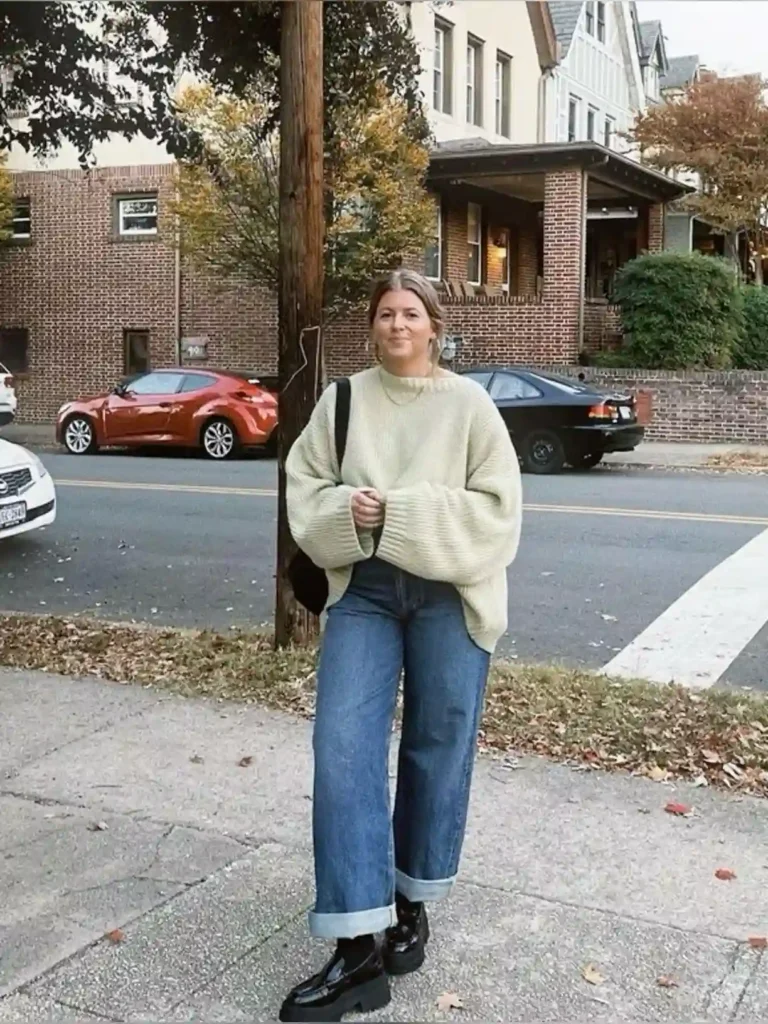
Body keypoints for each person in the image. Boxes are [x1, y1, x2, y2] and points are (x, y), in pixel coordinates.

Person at [280, 269, 522, 1022]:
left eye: (411, 313)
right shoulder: (343, 400)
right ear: (372, 326)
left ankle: (413, 900)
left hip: (451, 593)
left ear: (435, 327)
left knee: (436, 746)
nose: (397, 325)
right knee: (342, 747)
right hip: (366, 593)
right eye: (385, 313)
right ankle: (358, 946)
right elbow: (302, 489)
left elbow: (500, 513)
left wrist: (403, 511)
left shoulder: (470, 405)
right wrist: (343, 512)